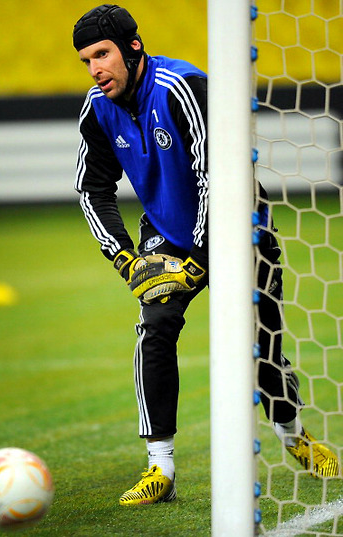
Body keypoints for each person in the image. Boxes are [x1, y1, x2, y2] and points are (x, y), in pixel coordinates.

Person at [72, 4, 339, 505]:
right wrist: (125, 257)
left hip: (239, 224)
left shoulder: (183, 87)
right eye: (87, 60)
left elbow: (216, 175)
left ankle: (293, 435)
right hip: (169, 231)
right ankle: (161, 466)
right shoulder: (97, 107)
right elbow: (92, 188)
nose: (95, 69)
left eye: (102, 54)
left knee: (261, 345)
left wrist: (199, 257)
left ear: (133, 47)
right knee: (155, 327)